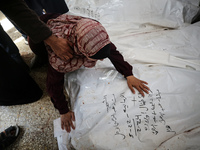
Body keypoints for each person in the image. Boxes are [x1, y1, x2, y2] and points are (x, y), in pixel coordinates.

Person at [28, 13, 150, 133]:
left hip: (56, 22)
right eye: (95, 58)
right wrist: (63, 110)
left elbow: (112, 52)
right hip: (37, 37)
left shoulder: (93, 33)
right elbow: (53, 85)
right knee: (47, 60)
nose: (101, 61)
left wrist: (128, 74)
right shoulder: (61, 58)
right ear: (82, 50)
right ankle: (42, 57)